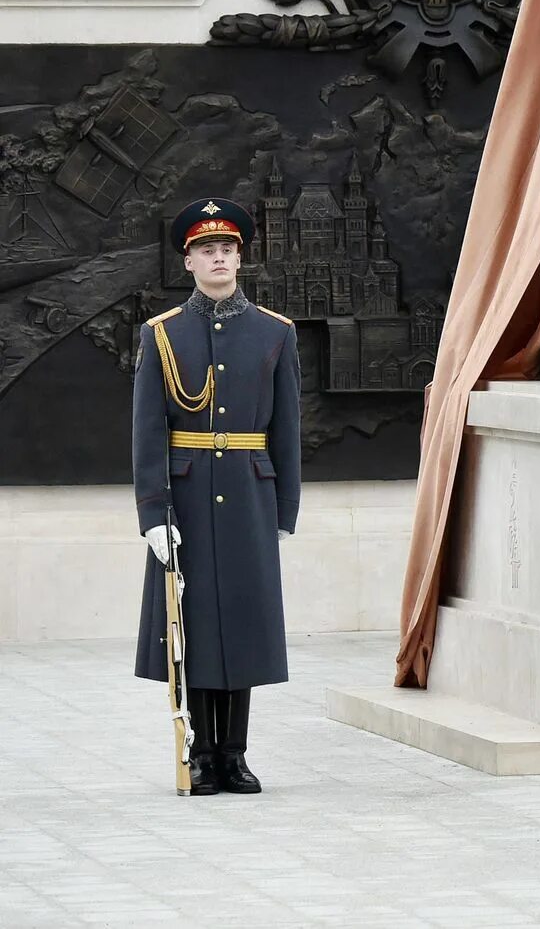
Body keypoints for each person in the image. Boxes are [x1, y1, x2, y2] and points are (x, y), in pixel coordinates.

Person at [134, 198, 302, 794]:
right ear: (189, 262)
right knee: (195, 624)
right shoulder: (163, 335)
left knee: (245, 623)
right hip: (188, 495)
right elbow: (149, 429)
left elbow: (285, 428)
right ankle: (201, 754)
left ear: (240, 258)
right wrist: (153, 513)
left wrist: (285, 509)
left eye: (228, 249)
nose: (220, 258)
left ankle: (235, 753)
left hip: (249, 494)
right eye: (208, 250)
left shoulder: (274, 333)